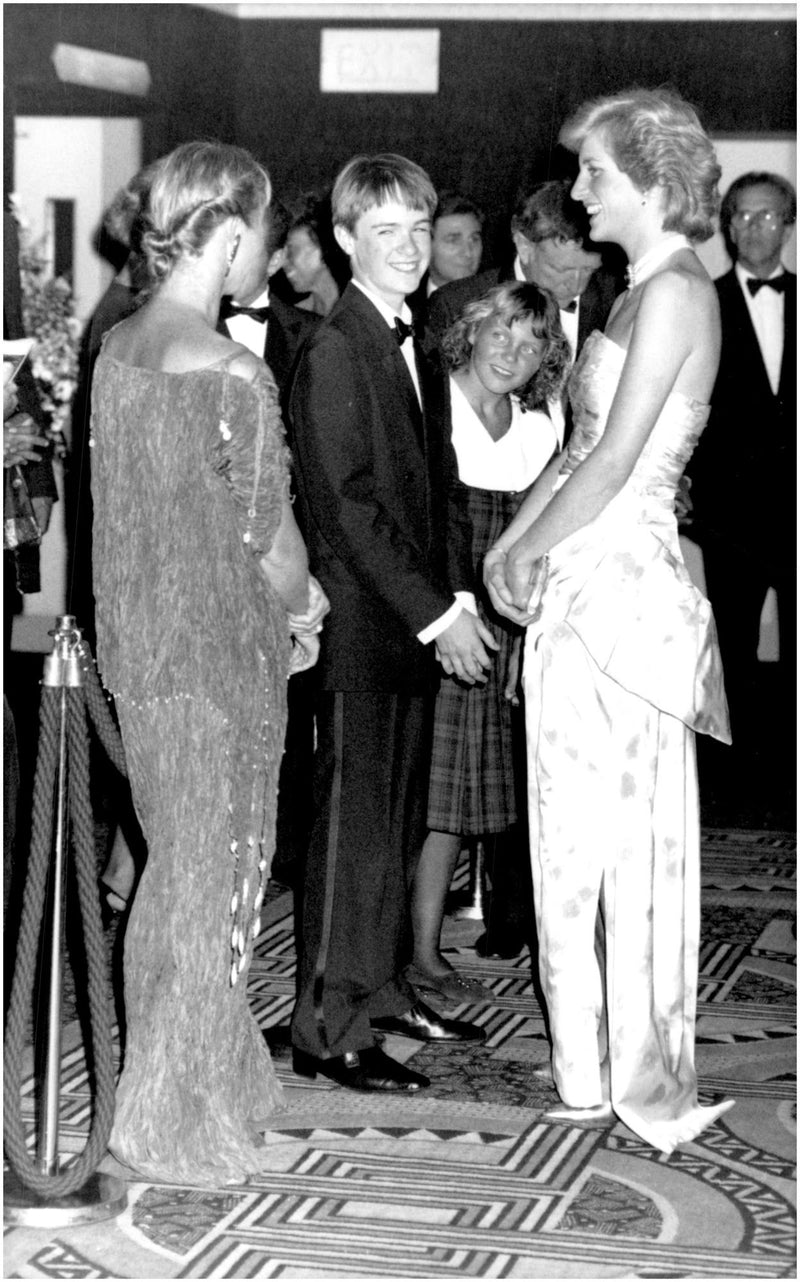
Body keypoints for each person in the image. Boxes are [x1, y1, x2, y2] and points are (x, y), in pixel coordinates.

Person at [484, 87, 735, 1155]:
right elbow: (573, 452)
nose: (576, 188)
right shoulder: (631, 290)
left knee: (631, 850)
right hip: (579, 569)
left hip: (625, 590)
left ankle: (638, 1069)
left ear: (643, 177)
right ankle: (579, 1068)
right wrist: (506, 546)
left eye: (590, 171)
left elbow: (621, 465)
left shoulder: (679, 292)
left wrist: (530, 549)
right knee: (561, 831)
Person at [90, 141, 329, 1185]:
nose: (267, 258)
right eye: (263, 235)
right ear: (229, 233)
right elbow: (269, 539)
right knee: (218, 880)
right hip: (220, 656)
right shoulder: (231, 368)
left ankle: (197, 1078)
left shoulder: (118, 348)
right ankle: (168, 1117)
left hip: (139, 652)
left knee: (173, 876)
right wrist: (308, 601)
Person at [289, 152, 494, 1094]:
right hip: (367, 631)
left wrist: (460, 597)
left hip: (408, 623)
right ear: (345, 240)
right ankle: (326, 1028)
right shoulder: (336, 347)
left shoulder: (416, 332)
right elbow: (347, 508)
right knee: (354, 831)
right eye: (387, 233)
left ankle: (377, 997)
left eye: (419, 229)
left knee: (398, 822)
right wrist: (432, 614)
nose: (410, 248)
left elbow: (434, 490)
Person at [426, 181, 620, 962]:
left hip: (530, 596)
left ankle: (527, 927)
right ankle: (423, 946)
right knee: (441, 792)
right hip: (456, 605)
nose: (575, 288)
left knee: (522, 775)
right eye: (561, 272)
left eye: (583, 275)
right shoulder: (458, 340)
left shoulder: (544, 412)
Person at [407, 281, 570, 1003]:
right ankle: (416, 947)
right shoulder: (431, 400)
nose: (514, 351)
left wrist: (519, 638)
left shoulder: (540, 428)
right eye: (502, 331)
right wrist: (450, 618)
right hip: (436, 622)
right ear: (471, 330)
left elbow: (539, 545)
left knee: (486, 790)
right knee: (433, 798)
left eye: (533, 341)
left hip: (508, 627)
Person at [218, 195, 322, 888]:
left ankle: (273, 862)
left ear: (278, 257)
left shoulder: (312, 335)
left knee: (283, 724)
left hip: (285, 555)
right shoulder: (169, 330)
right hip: (207, 558)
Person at [688, 172, 796, 804]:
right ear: (726, 227)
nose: (753, 228)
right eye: (742, 217)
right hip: (729, 512)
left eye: (767, 216)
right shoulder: (705, 300)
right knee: (729, 646)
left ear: (788, 224)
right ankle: (734, 784)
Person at [407, 192, 484, 334]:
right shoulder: (403, 308)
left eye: (474, 239)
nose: (468, 252)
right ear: (426, 244)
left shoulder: (496, 305)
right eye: (453, 240)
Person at [282, 193, 349, 317]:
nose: (282, 262)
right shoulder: (292, 320)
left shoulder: (362, 316)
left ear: (324, 250)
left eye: (292, 250)